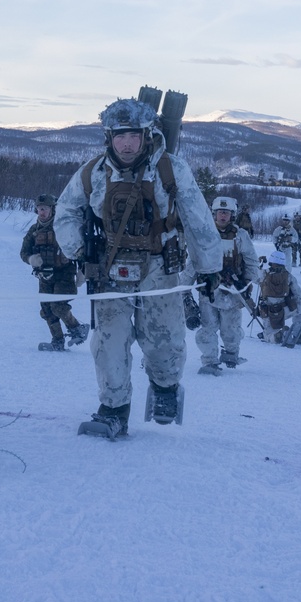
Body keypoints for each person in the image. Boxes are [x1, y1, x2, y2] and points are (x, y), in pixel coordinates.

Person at [54, 97, 222, 437]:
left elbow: (199, 220)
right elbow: (66, 211)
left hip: (160, 267)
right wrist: (78, 250)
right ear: (109, 138)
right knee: (108, 343)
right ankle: (113, 409)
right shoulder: (93, 173)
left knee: (163, 339)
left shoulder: (171, 169)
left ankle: (164, 389)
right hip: (110, 269)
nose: (127, 143)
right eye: (120, 136)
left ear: (147, 135)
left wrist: (208, 268)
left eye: (134, 135)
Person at [182, 196, 260, 375]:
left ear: (232, 215)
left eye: (226, 213)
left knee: (230, 330)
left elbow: (251, 261)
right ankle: (209, 361)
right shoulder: (205, 234)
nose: (222, 216)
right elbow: (193, 262)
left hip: (233, 293)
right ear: (214, 214)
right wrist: (184, 287)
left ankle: (231, 353)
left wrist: (247, 283)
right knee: (207, 330)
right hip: (208, 291)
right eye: (219, 212)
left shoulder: (241, 236)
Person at [20, 194, 88, 351]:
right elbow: (23, 252)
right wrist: (31, 259)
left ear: (53, 209)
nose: (41, 212)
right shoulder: (34, 231)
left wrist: (82, 271)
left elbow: (79, 249)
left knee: (58, 306)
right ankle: (57, 341)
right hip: (44, 276)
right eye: (38, 209)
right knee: (46, 310)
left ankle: (77, 328)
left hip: (64, 274)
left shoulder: (63, 228)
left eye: (44, 209)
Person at [257, 250, 301, 347]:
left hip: (267, 313)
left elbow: (252, 274)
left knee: (268, 335)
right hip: (284, 311)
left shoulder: (263, 274)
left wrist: (259, 263)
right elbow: (299, 295)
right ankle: (298, 334)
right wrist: (300, 306)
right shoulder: (288, 276)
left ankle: (276, 336)